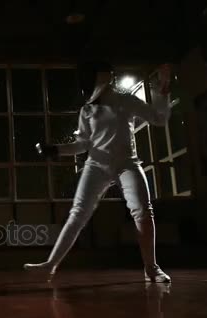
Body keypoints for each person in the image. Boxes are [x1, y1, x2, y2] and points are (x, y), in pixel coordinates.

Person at [24, 61, 172, 283]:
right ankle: (50, 266)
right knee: (78, 214)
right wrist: (56, 149)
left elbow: (159, 118)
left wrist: (164, 88)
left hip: (127, 164)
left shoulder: (126, 101)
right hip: (96, 165)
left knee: (143, 211)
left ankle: (152, 269)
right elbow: (83, 144)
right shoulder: (87, 109)